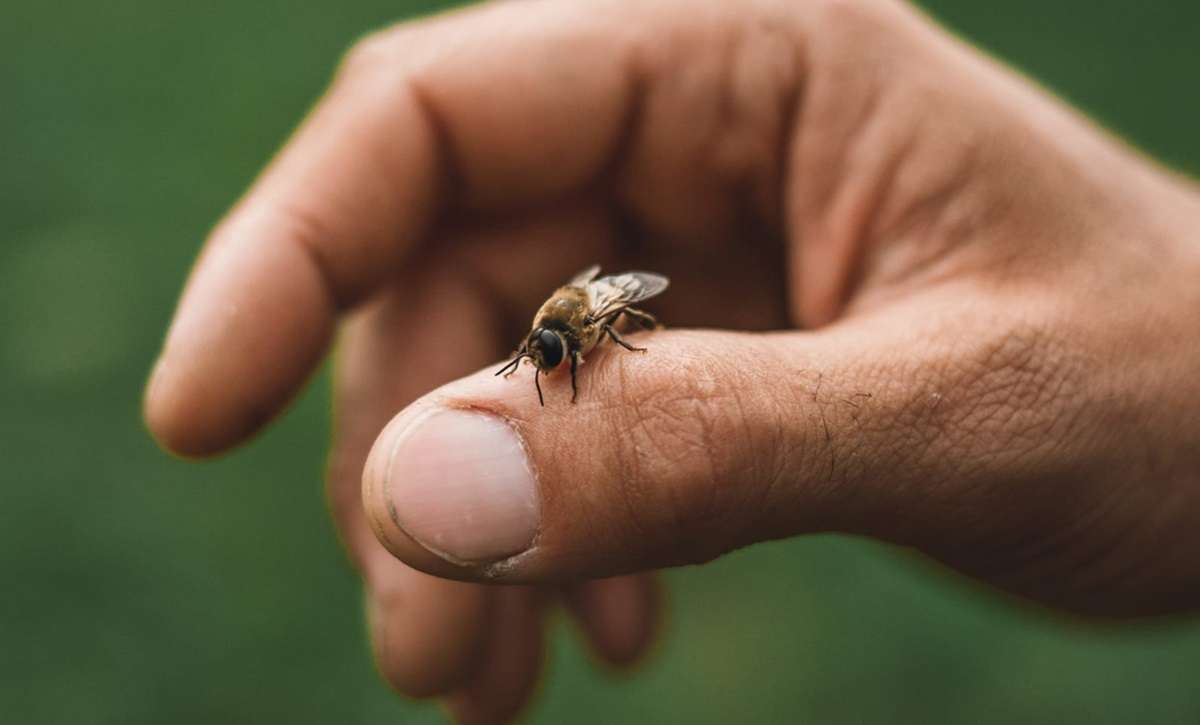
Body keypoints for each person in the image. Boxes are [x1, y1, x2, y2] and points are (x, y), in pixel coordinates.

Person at [143, 0, 1200, 721]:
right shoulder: (548, 331)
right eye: (547, 351)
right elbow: (547, 338)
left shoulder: (592, 321)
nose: (552, 357)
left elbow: (605, 312)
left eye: (555, 349)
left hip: (614, 299)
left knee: (605, 347)